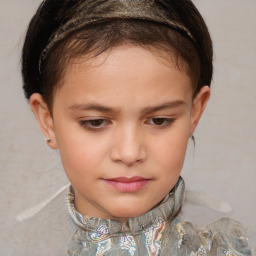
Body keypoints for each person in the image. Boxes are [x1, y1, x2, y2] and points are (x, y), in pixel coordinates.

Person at [16, 0, 252, 255]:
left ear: (195, 112)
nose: (129, 153)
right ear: (47, 119)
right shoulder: (15, 244)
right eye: (95, 122)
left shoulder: (234, 241)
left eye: (160, 120)